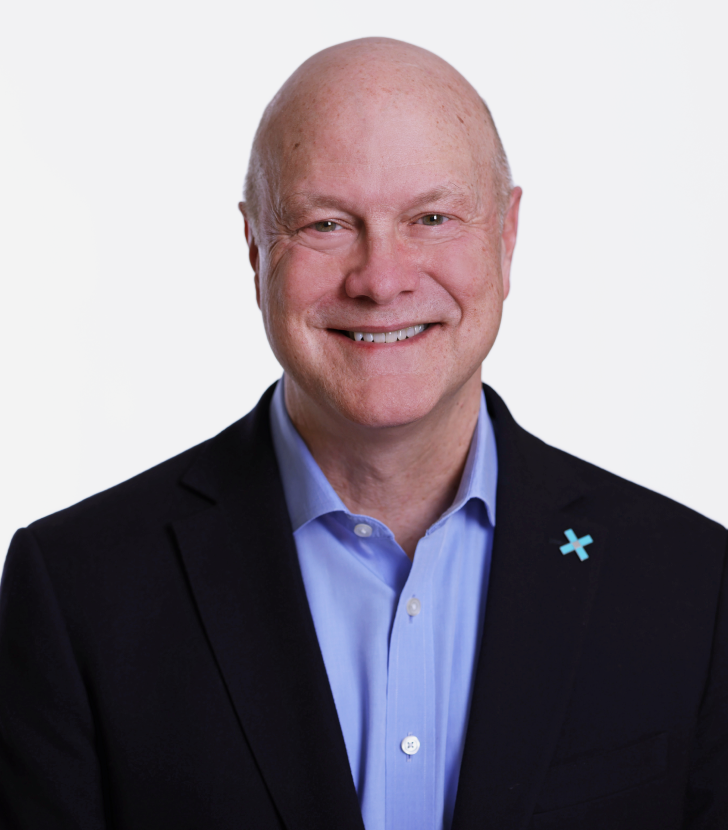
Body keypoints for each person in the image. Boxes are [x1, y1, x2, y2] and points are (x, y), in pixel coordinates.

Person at [0, 36, 725, 830]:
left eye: (432, 218)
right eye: (326, 224)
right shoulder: (78, 592)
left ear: (507, 234)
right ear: (255, 245)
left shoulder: (692, 582)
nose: (382, 280)